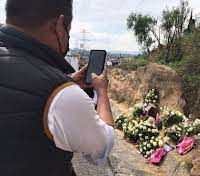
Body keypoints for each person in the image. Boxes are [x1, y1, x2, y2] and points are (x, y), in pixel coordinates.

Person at [0, 0, 115, 176]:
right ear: (60, 26)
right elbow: (100, 150)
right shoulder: (61, 93)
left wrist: (67, 79)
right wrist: (102, 92)